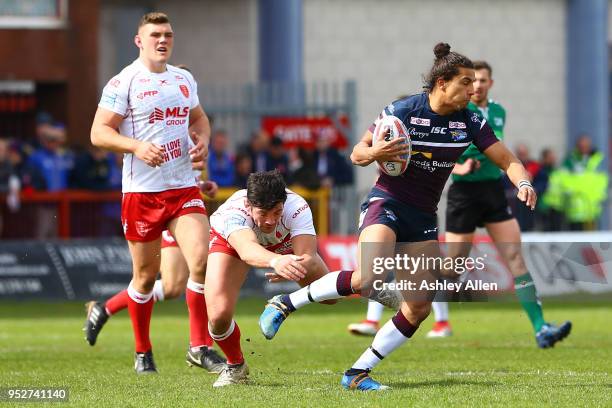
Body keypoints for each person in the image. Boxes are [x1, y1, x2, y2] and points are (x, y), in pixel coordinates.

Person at [259, 43, 544, 391]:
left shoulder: (470, 120)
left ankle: (357, 373)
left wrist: (524, 181)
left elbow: (507, 160)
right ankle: (285, 303)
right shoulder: (404, 110)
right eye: (466, 82)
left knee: (419, 306)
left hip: (423, 214)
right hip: (387, 202)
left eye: (475, 83)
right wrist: (375, 151)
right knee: (367, 278)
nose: (473, 90)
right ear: (442, 82)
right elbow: (356, 153)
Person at [90, 12, 211, 374]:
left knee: (201, 261)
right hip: (142, 194)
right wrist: (136, 147)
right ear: (139, 40)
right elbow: (98, 133)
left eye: (168, 35)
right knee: (145, 278)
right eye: (155, 34)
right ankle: (142, 351)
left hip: (183, 189)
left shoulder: (183, 79)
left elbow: (199, 118)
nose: (163, 40)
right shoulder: (123, 81)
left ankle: (199, 345)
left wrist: (202, 140)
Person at [203, 170, 399, 387]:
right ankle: (236, 365)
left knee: (330, 298)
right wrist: (276, 261)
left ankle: (367, 287)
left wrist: (292, 262)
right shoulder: (234, 211)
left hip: (284, 243)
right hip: (232, 243)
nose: (270, 220)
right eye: (263, 213)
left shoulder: (297, 206)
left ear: (283, 204)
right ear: (249, 206)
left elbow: (307, 256)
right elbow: (247, 250)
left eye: (276, 212)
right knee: (218, 316)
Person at [422, 61, 570, 344]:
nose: (476, 86)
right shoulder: (458, 110)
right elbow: (435, 150)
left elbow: (501, 153)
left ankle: (541, 328)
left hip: (492, 191)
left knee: (516, 258)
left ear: (490, 83)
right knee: (452, 266)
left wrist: (521, 182)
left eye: (482, 80)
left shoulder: (499, 111)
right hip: (463, 194)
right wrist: (458, 168)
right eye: (472, 81)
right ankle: (430, 313)